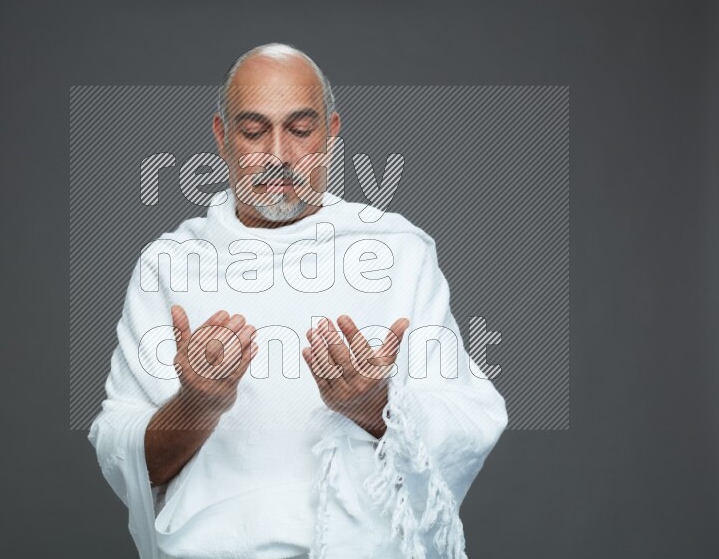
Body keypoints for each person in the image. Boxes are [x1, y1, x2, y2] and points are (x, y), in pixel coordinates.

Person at [88, 43, 508, 559]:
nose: (280, 155)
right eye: (253, 130)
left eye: (301, 130)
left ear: (332, 133)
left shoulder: (398, 253)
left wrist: (376, 407)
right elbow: (126, 457)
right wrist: (198, 406)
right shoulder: (169, 266)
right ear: (221, 138)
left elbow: (468, 422)